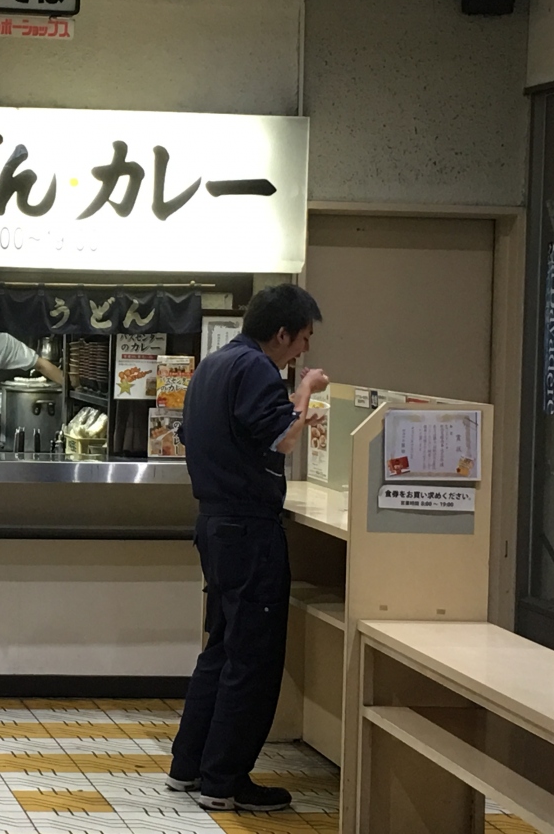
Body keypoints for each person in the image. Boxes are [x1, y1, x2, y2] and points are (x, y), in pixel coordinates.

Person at [167, 284, 328, 813]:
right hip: (249, 528)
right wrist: (306, 392)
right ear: (281, 333)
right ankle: (225, 781)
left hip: (214, 524)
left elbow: (212, 434)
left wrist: (293, 410)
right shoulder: (258, 368)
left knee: (220, 648)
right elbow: (281, 439)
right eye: (303, 337)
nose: (304, 349)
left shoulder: (212, 366)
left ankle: (189, 767)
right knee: (251, 659)